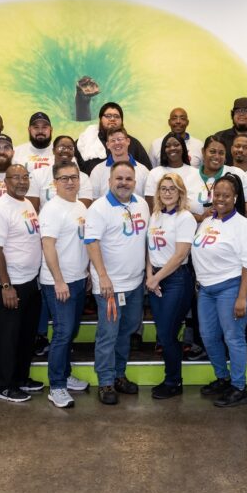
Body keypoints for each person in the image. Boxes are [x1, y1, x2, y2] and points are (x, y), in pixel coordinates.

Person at [192, 174, 247, 407]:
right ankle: (223, 378)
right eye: (217, 194)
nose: (220, 199)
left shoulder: (243, 226)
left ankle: (239, 388)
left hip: (231, 286)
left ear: (235, 197)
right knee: (209, 336)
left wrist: (242, 297)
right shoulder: (209, 220)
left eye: (226, 195)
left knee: (233, 337)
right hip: (207, 289)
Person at [84, 161, 150, 405]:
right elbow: (91, 243)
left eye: (128, 179)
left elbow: (145, 241)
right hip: (110, 287)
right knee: (108, 335)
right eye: (119, 178)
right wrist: (102, 277)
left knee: (127, 331)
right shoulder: (99, 208)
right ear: (110, 181)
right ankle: (106, 382)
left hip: (134, 285)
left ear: (134, 181)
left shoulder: (141, 204)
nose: (123, 183)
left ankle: (119, 374)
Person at [0, 164, 44, 403]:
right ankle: (4, 385)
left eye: (24, 177)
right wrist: (6, 286)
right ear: (5, 182)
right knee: (8, 338)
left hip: (29, 281)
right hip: (9, 285)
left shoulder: (27, 203)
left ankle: (20, 378)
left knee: (26, 336)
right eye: (15, 178)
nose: (21, 181)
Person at [39, 160, 92, 408]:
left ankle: (65, 374)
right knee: (62, 333)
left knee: (70, 332)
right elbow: (48, 246)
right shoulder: (52, 209)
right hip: (59, 283)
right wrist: (59, 281)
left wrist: (87, 273)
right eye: (64, 178)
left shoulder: (80, 205)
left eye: (74, 177)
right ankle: (57, 386)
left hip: (78, 279)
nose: (70, 181)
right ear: (55, 183)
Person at [144, 173, 196, 399]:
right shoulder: (154, 215)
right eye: (163, 188)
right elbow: (150, 249)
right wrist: (149, 275)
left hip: (176, 280)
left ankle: (173, 381)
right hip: (155, 279)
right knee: (164, 333)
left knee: (166, 334)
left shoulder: (185, 218)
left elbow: (180, 254)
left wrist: (157, 278)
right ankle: (172, 378)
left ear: (180, 192)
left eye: (172, 189)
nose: (167, 192)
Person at [185, 136, 247, 221]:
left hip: (229, 230)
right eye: (212, 152)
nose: (217, 156)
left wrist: (224, 213)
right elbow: (180, 211)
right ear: (203, 151)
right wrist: (201, 218)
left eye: (221, 153)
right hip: (198, 232)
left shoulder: (236, 174)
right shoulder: (189, 178)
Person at [76, 102, 152, 174]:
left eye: (116, 116)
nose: (112, 119)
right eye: (108, 116)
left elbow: (146, 172)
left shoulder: (133, 144)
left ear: (122, 121)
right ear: (100, 119)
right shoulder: (85, 141)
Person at [89, 127, 149, 199]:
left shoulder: (143, 170)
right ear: (107, 145)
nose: (117, 143)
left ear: (128, 141)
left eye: (120, 139)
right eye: (113, 140)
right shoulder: (97, 170)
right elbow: (94, 200)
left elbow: (148, 200)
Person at [144, 132, 196, 211]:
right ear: (163, 150)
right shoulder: (154, 173)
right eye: (167, 146)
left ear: (183, 148)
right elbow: (151, 207)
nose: (172, 148)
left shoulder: (195, 173)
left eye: (176, 145)